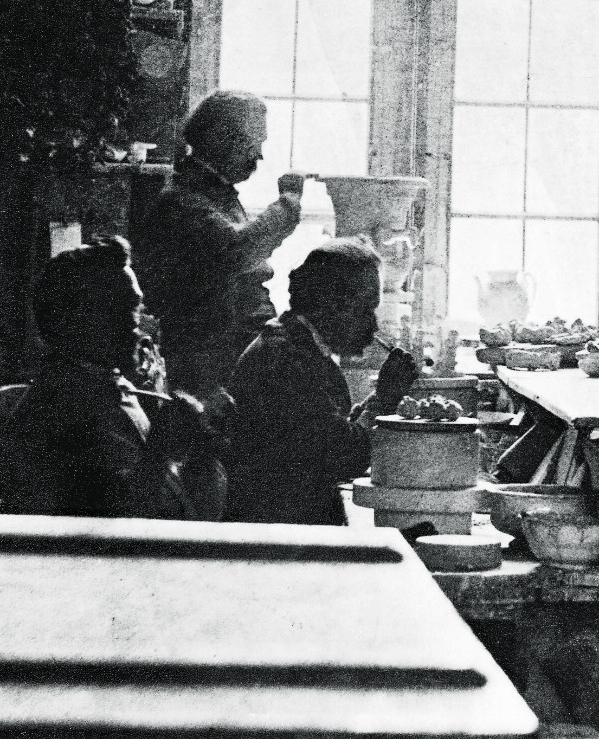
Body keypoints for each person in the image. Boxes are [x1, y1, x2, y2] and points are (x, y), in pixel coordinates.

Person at [0, 238, 225, 520]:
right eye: (114, 309)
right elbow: (118, 532)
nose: (134, 324)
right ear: (67, 320)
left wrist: (202, 449)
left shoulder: (114, 386)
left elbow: (187, 510)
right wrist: (160, 447)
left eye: (134, 307)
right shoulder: (55, 413)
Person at [225, 238, 417, 526]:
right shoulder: (287, 358)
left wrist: (377, 399)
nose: (373, 325)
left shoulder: (296, 343)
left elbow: (328, 430)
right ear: (330, 304)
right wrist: (384, 399)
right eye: (365, 310)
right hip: (276, 532)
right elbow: (344, 455)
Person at [129, 90, 302, 402]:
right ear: (222, 140)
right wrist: (287, 204)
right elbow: (236, 251)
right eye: (254, 144)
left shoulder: (214, 194)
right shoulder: (181, 200)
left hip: (235, 353)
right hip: (211, 367)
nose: (260, 156)